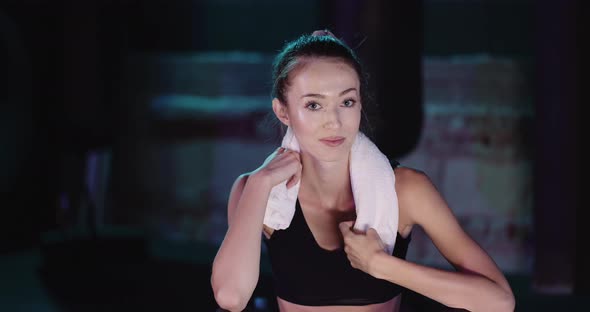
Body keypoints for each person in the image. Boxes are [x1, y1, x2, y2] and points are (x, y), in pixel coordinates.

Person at [210, 30, 515, 312]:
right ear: (283, 111)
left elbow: (499, 302)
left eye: (347, 101)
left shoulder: (406, 190)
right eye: (314, 105)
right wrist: (261, 182)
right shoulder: (255, 190)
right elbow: (231, 297)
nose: (334, 121)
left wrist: (382, 265)